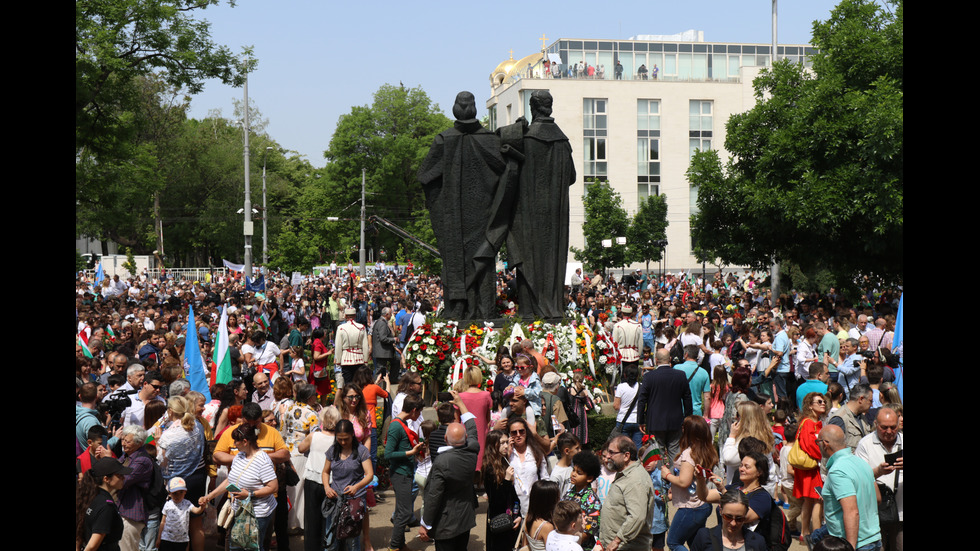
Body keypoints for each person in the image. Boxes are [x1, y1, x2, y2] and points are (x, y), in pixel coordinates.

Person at [417, 91, 504, 319]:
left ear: (456, 108)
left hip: (454, 218)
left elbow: (425, 176)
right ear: (474, 108)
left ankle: (459, 309)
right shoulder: (491, 139)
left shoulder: (445, 139)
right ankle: (485, 311)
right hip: (485, 215)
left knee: (457, 262)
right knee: (483, 261)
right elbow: (506, 173)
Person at [495, 90, 575, 319]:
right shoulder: (562, 141)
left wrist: (518, 129)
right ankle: (553, 308)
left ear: (533, 107)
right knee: (552, 262)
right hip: (556, 218)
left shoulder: (525, 139)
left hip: (528, 216)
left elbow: (497, 145)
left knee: (528, 259)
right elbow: (571, 176)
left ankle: (530, 310)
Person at [199, 424, 279, 551]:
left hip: (258, 514)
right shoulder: (239, 456)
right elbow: (230, 481)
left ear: (245, 442)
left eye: (236, 441)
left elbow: (273, 487)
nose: (234, 444)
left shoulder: (262, 460)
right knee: (236, 546)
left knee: (253, 548)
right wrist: (209, 496)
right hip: (239, 511)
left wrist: (249, 494)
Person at [419, 392, 480, 550]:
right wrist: (461, 404)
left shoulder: (441, 462)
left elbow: (434, 495)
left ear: (445, 439)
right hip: (465, 517)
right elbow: (473, 428)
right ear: (465, 437)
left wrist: (425, 523)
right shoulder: (472, 451)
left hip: (446, 523)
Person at [810, 425, 882, 551]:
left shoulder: (837, 471)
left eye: (818, 442)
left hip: (857, 544)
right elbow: (877, 498)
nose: (817, 445)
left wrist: (850, 547)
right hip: (874, 539)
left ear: (825, 444)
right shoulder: (861, 463)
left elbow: (852, 512)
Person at [661, 416, 718, 551]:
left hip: (690, 507)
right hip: (703, 503)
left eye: (683, 427)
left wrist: (667, 475)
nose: (681, 429)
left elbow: (684, 481)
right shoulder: (706, 449)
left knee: (673, 542)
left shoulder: (688, 454)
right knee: (695, 543)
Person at [854, 409, 903, 551]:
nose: (889, 431)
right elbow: (858, 478)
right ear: (876, 424)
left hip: (901, 511)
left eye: (893, 427)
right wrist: (877, 472)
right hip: (876, 514)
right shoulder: (865, 444)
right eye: (884, 427)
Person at [322, 419, 374, 551]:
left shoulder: (361, 451)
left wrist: (356, 487)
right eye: (340, 439)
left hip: (354, 501)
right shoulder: (332, 450)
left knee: (352, 541)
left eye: (346, 439)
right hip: (335, 500)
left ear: (352, 435)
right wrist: (327, 487)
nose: (343, 442)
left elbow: (369, 475)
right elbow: (325, 472)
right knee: (330, 538)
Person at [600, 435, 656, 551]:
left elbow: (637, 516)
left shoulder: (635, 480)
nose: (607, 457)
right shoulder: (624, 473)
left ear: (626, 456)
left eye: (612, 453)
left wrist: (617, 540)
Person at [386, 392, 426, 551]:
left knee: (403, 510)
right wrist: (411, 453)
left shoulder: (402, 423)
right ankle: (394, 546)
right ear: (414, 410)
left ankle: (401, 544)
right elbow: (388, 454)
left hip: (405, 473)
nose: (420, 415)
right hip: (400, 474)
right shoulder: (396, 426)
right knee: (404, 513)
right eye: (420, 412)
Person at [637, 348, 693, 460]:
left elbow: (642, 399)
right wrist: (687, 419)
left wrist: (640, 420)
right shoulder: (680, 375)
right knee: (675, 454)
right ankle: (674, 476)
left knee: (657, 455)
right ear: (670, 359)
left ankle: (660, 477)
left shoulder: (649, 377)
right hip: (675, 421)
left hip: (656, 421)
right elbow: (687, 399)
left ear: (656, 360)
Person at [78, 457, 130, 551]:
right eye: (119, 475)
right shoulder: (106, 506)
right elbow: (93, 545)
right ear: (106, 479)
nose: (123, 477)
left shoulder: (89, 497)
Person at [483, 430, 523, 551]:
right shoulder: (489, 468)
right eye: (502, 443)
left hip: (510, 517)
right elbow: (495, 500)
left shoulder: (504, 461)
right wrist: (506, 479)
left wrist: (518, 514)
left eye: (507, 442)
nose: (506, 446)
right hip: (499, 521)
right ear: (493, 445)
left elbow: (512, 493)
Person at [689, 489, 767, 551]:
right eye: (728, 517)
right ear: (720, 510)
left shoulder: (758, 542)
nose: (733, 523)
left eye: (739, 519)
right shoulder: (704, 537)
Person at [795, 392, 827, 543]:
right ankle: (816, 535)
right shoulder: (808, 422)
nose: (823, 404)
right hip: (812, 467)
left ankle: (805, 533)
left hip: (810, 467)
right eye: (819, 401)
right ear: (810, 405)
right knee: (817, 500)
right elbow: (808, 445)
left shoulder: (813, 422)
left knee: (809, 501)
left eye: (824, 401)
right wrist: (824, 455)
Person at [458, 364, 492, 483]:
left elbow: (457, 419)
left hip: (465, 432)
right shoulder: (486, 395)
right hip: (481, 432)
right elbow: (488, 418)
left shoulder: (460, 396)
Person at [156, 477, 205, 551]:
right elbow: (163, 522)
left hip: (181, 540)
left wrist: (202, 506)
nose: (178, 495)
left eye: (181, 492)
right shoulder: (167, 504)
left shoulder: (187, 503)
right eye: (175, 493)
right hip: (167, 539)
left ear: (185, 492)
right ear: (169, 493)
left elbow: (196, 511)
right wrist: (159, 538)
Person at [828, 384, 873, 450]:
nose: (871, 405)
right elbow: (832, 450)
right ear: (861, 399)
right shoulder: (839, 419)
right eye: (870, 401)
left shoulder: (862, 417)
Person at [336, 308, 369, 389]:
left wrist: (338, 361)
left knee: (348, 385)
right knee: (359, 384)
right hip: (359, 359)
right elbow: (365, 345)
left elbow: (338, 346)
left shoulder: (341, 328)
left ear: (345, 315)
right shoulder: (361, 327)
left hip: (345, 360)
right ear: (355, 315)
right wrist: (366, 360)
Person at [675, 345, 711, 417]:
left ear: (686, 354)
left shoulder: (676, 368)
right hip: (695, 412)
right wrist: (706, 415)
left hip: (678, 410)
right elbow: (707, 397)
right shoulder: (704, 372)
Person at [524, 480, 560, 551]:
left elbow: (525, 544)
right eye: (557, 497)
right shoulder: (547, 526)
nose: (559, 500)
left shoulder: (528, 517)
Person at [613, 364, 643, 450]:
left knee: (623, 447)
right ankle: (637, 463)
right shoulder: (641, 386)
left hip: (623, 420)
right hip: (637, 420)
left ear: (625, 375)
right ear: (637, 376)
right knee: (637, 446)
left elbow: (616, 406)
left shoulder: (621, 387)